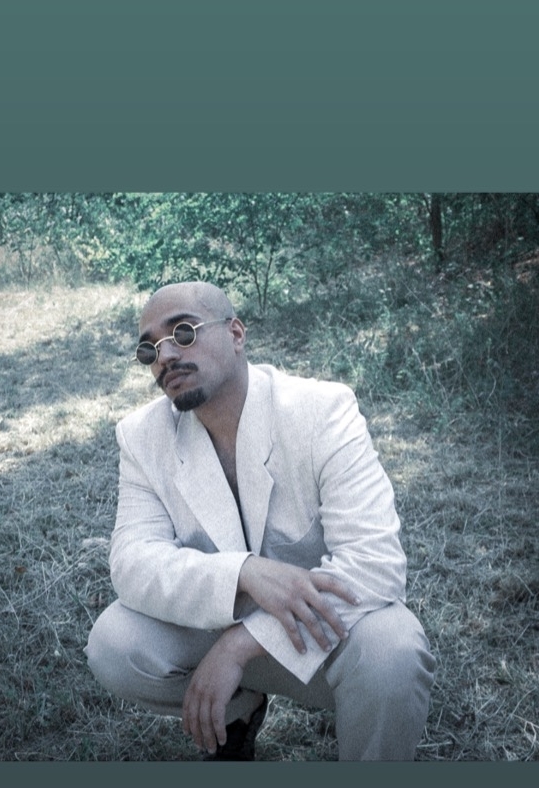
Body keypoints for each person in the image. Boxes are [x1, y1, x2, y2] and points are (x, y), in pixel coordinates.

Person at [85, 281, 435, 760]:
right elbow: (131, 563)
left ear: (236, 334)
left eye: (183, 332)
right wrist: (245, 573)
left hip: (322, 638)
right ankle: (237, 711)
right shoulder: (141, 435)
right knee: (115, 642)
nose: (164, 355)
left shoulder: (321, 410)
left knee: (392, 648)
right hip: (216, 618)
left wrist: (239, 646)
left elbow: (375, 563)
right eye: (149, 348)